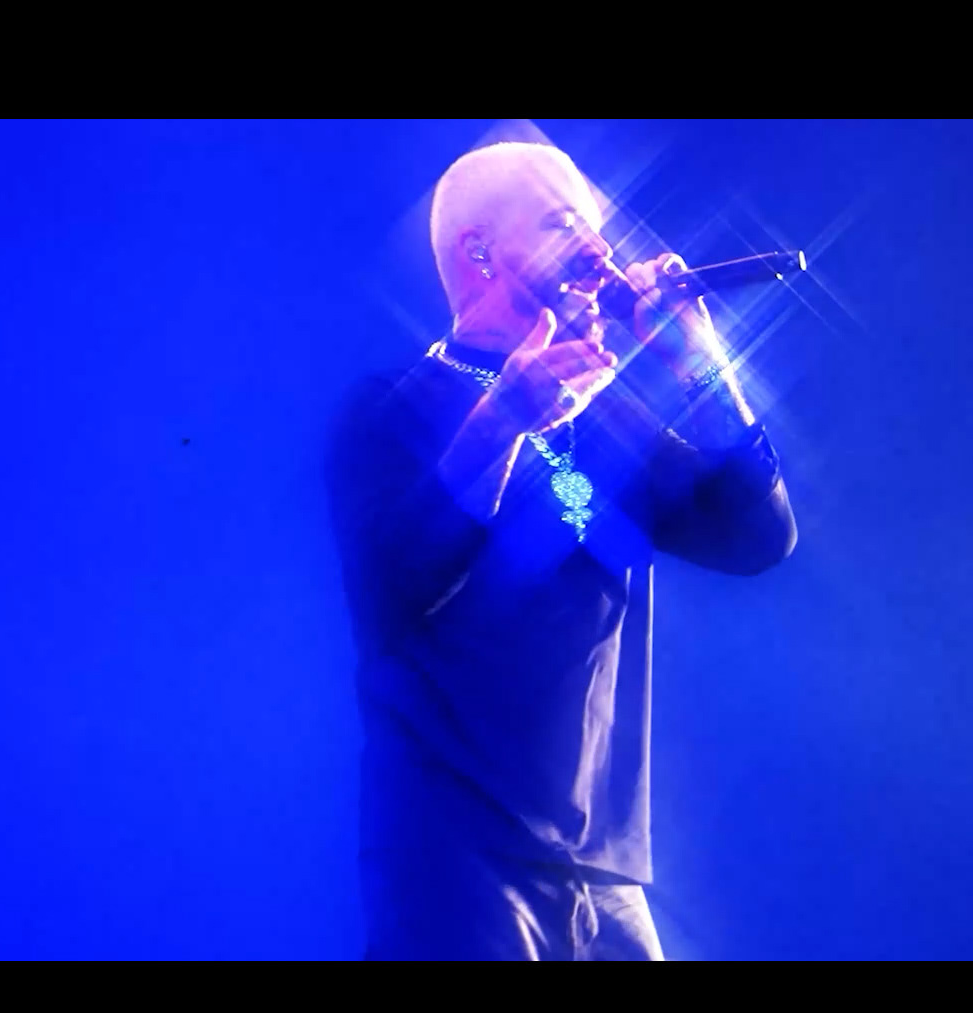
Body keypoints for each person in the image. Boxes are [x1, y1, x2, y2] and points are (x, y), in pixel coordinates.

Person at [325, 141, 797, 960]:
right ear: (480, 250)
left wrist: (699, 362)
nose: (598, 249)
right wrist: (505, 420)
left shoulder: (607, 420)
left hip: (604, 871)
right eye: (562, 223)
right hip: (454, 854)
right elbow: (392, 590)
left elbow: (758, 536)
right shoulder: (391, 408)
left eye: (598, 227)